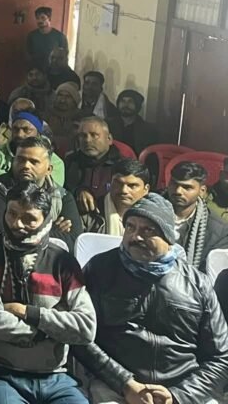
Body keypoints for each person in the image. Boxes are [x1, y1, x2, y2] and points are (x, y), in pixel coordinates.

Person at [75, 193, 228, 404]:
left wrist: (177, 396)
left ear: (168, 237)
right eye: (130, 227)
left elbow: (220, 357)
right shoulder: (100, 270)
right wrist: (125, 383)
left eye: (148, 230)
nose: (136, 237)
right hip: (115, 387)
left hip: (183, 390)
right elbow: (79, 337)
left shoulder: (197, 284)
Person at [0, 180, 96, 404]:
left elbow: (86, 328)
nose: (17, 224)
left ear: (46, 220)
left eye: (29, 218)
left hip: (56, 377)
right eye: (12, 213)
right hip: (0, 374)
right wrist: (52, 331)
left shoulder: (63, 262)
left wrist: (28, 312)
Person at [0, 138, 82, 249]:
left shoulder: (63, 196)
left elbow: (73, 240)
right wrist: (49, 229)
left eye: (34, 162)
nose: (26, 166)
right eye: (20, 160)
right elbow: (1, 233)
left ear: (49, 169)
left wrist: (27, 232)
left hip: (48, 258)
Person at [0, 110, 67, 187]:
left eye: (26, 130)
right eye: (15, 129)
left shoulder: (54, 161)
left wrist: (9, 175)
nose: (19, 134)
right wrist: (26, 177)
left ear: (38, 134)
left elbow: (53, 186)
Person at [167, 161, 228, 272]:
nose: (178, 191)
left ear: (202, 191)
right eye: (174, 184)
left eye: (187, 187)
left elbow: (209, 273)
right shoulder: (150, 211)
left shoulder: (219, 231)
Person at [65, 116, 123, 219]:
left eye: (94, 135)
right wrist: (77, 191)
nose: (87, 140)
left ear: (109, 139)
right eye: (83, 136)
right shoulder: (70, 162)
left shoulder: (122, 165)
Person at [82, 159, 151, 235]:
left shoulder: (153, 218)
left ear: (146, 189)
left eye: (132, 186)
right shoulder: (90, 213)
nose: (124, 190)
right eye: (118, 183)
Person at [26, 6, 68, 72]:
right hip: (37, 72)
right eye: (37, 18)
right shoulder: (32, 36)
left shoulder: (59, 37)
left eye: (43, 18)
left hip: (54, 72)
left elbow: (64, 57)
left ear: (49, 19)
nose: (40, 21)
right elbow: (28, 55)